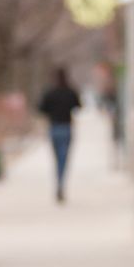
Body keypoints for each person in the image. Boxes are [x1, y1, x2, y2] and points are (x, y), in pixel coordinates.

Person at [37, 69, 84, 203]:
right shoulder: (70, 91)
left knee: (57, 159)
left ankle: (59, 183)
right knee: (64, 159)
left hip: (54, 128)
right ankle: (61, 184)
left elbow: (41, 109)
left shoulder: (50, 92)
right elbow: (78, 106)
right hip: (66, 127)